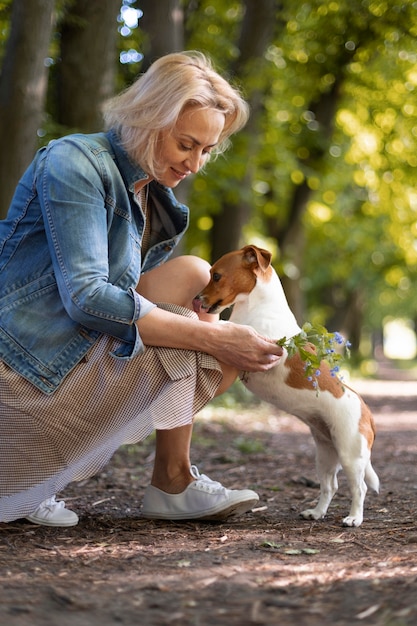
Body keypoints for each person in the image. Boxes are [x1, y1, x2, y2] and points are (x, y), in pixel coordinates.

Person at [0, 51, 282, 527]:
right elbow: (89, 297)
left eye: (207, 150)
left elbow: (131, 297)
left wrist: (206, 331)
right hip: (26, 350)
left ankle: (172, 479)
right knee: (207, 342)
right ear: (149, 120)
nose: (195, 163)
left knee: (195, 275)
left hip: (74, 340)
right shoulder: (76, 162)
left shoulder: (151, 194)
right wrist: (210, 335)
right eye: (186, 144)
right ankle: (39, 473)